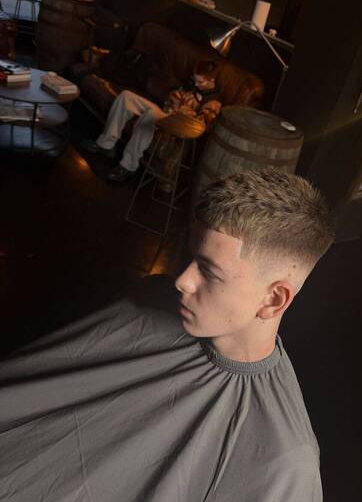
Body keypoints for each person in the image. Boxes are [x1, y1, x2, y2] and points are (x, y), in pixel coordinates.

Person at [0, 168, 335, 501]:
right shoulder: (152, 299)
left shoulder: (286, 461)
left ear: (273, 299)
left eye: (209, 271)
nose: (182, 281)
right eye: (192, 258)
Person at [82, 59, 222, 182]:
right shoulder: (191, 84)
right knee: (126, 96)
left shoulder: (214, 101)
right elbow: (173, 95)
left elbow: (199, 125)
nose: (196, 84)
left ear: (212, 81)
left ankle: (128, 166)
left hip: (174, 123)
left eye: (200, 82)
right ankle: (106, 144)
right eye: (195, 80)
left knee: (150, 115)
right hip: (165, 111)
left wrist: (185, 110)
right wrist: (173, 96)